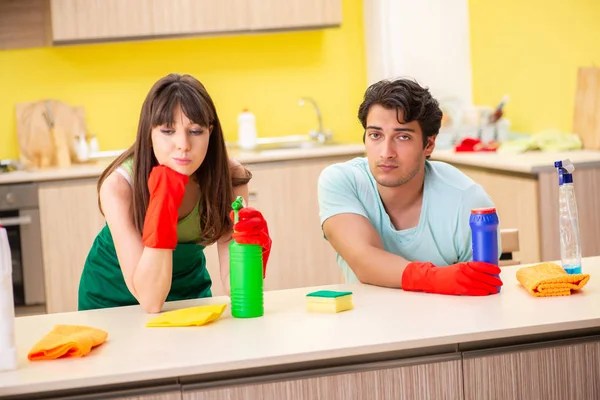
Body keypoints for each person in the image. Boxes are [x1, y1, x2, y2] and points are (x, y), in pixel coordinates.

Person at [78, 73, 272, 313]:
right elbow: (150, 302)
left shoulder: (230, 178)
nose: (183, 144)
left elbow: (235, 289)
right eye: (168, 131)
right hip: (112, 298)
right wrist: (164, 201)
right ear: (149, 133)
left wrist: (250, 253)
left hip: (190, 292)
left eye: (196, 131)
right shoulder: (118, 187)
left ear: (211, 132)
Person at [317, 78, 502, 296]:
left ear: (429, 144)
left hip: (448, 324)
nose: (386, 152)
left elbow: (483, 293)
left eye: (403, 137)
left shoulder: (468, 201)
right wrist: (436, 277)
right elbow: (364, 258)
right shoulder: (342, 181)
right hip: (366, 324)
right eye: (375, 135)